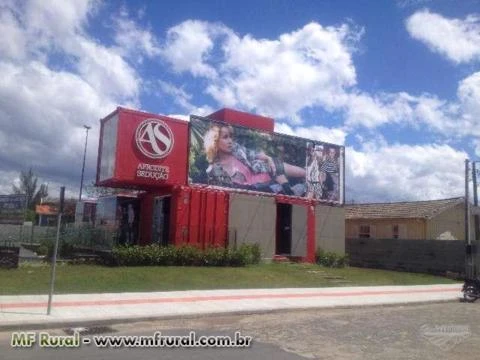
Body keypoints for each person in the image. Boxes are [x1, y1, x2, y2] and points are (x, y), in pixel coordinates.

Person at [203, 124, 306, 196]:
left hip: (264, 173)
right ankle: (292, 189)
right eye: (225, 137)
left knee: (276, 165)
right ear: (215, 142)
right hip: (260, 191)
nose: (230, 141)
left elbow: (255, 155)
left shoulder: (236, 149)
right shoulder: (214, 170)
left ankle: (310, 176)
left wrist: (268, 159)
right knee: (295, 188)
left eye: (231, 137)